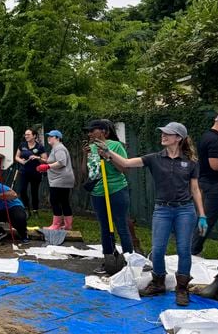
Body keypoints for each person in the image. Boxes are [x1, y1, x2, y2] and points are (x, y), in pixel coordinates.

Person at [98, 121, 207, 306]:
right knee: (157, 250)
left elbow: (195, 189)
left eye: (168, 133)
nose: (163, 135)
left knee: (183, 250)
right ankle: (158, 283)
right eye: (162, 132)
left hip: (185, 210)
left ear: (178, 138)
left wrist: (202, 215)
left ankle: (181, 288)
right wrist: (108, 153)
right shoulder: (154, 158)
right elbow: (126, 163)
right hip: (162, 209)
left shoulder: (190, 162)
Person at [84, 119, 134, 274]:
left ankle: (129, 263)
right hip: (98, 192)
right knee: (104, 227)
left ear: (104, 131)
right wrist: (83, 155)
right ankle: (108, 261)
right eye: (89, 131)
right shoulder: (91, 148)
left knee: (121, 225)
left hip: (116, 190)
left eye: (93, 130)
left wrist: (108, 156)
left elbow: (124, 168)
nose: (90, 133)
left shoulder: (115, 146)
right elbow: (87, 173)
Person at [191, 112, 218, 256]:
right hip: (215, 187)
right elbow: (215, 165)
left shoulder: (206, 136)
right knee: (206, 220)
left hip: (215, 185)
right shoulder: (214, 140)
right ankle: (192, 252)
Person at [36, 129, 75, 230]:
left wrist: (47, 167)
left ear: (58, 138)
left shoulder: (59, 148)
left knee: (54, 201)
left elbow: (62, 162)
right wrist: (41, 161)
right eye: (48, 136)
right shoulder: (56, 148)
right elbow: (54, 161)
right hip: (63, 179)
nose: (49, 138)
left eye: (51, 136)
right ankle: (68, 225)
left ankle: (56, 225)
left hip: (60, 179)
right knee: (64, 201)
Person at [14, 128, 48, 215]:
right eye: (25, 135)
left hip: (35, 173)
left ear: (34, 136)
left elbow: (45, 160)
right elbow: (16, 157)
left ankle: (35, 210)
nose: (26, 136)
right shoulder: (22, 145)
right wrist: (21, 161)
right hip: (24, 172)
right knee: (22, 191)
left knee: (34, 192)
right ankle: (26, 208)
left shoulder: (40, 147)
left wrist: (37, 157)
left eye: (28, 134)